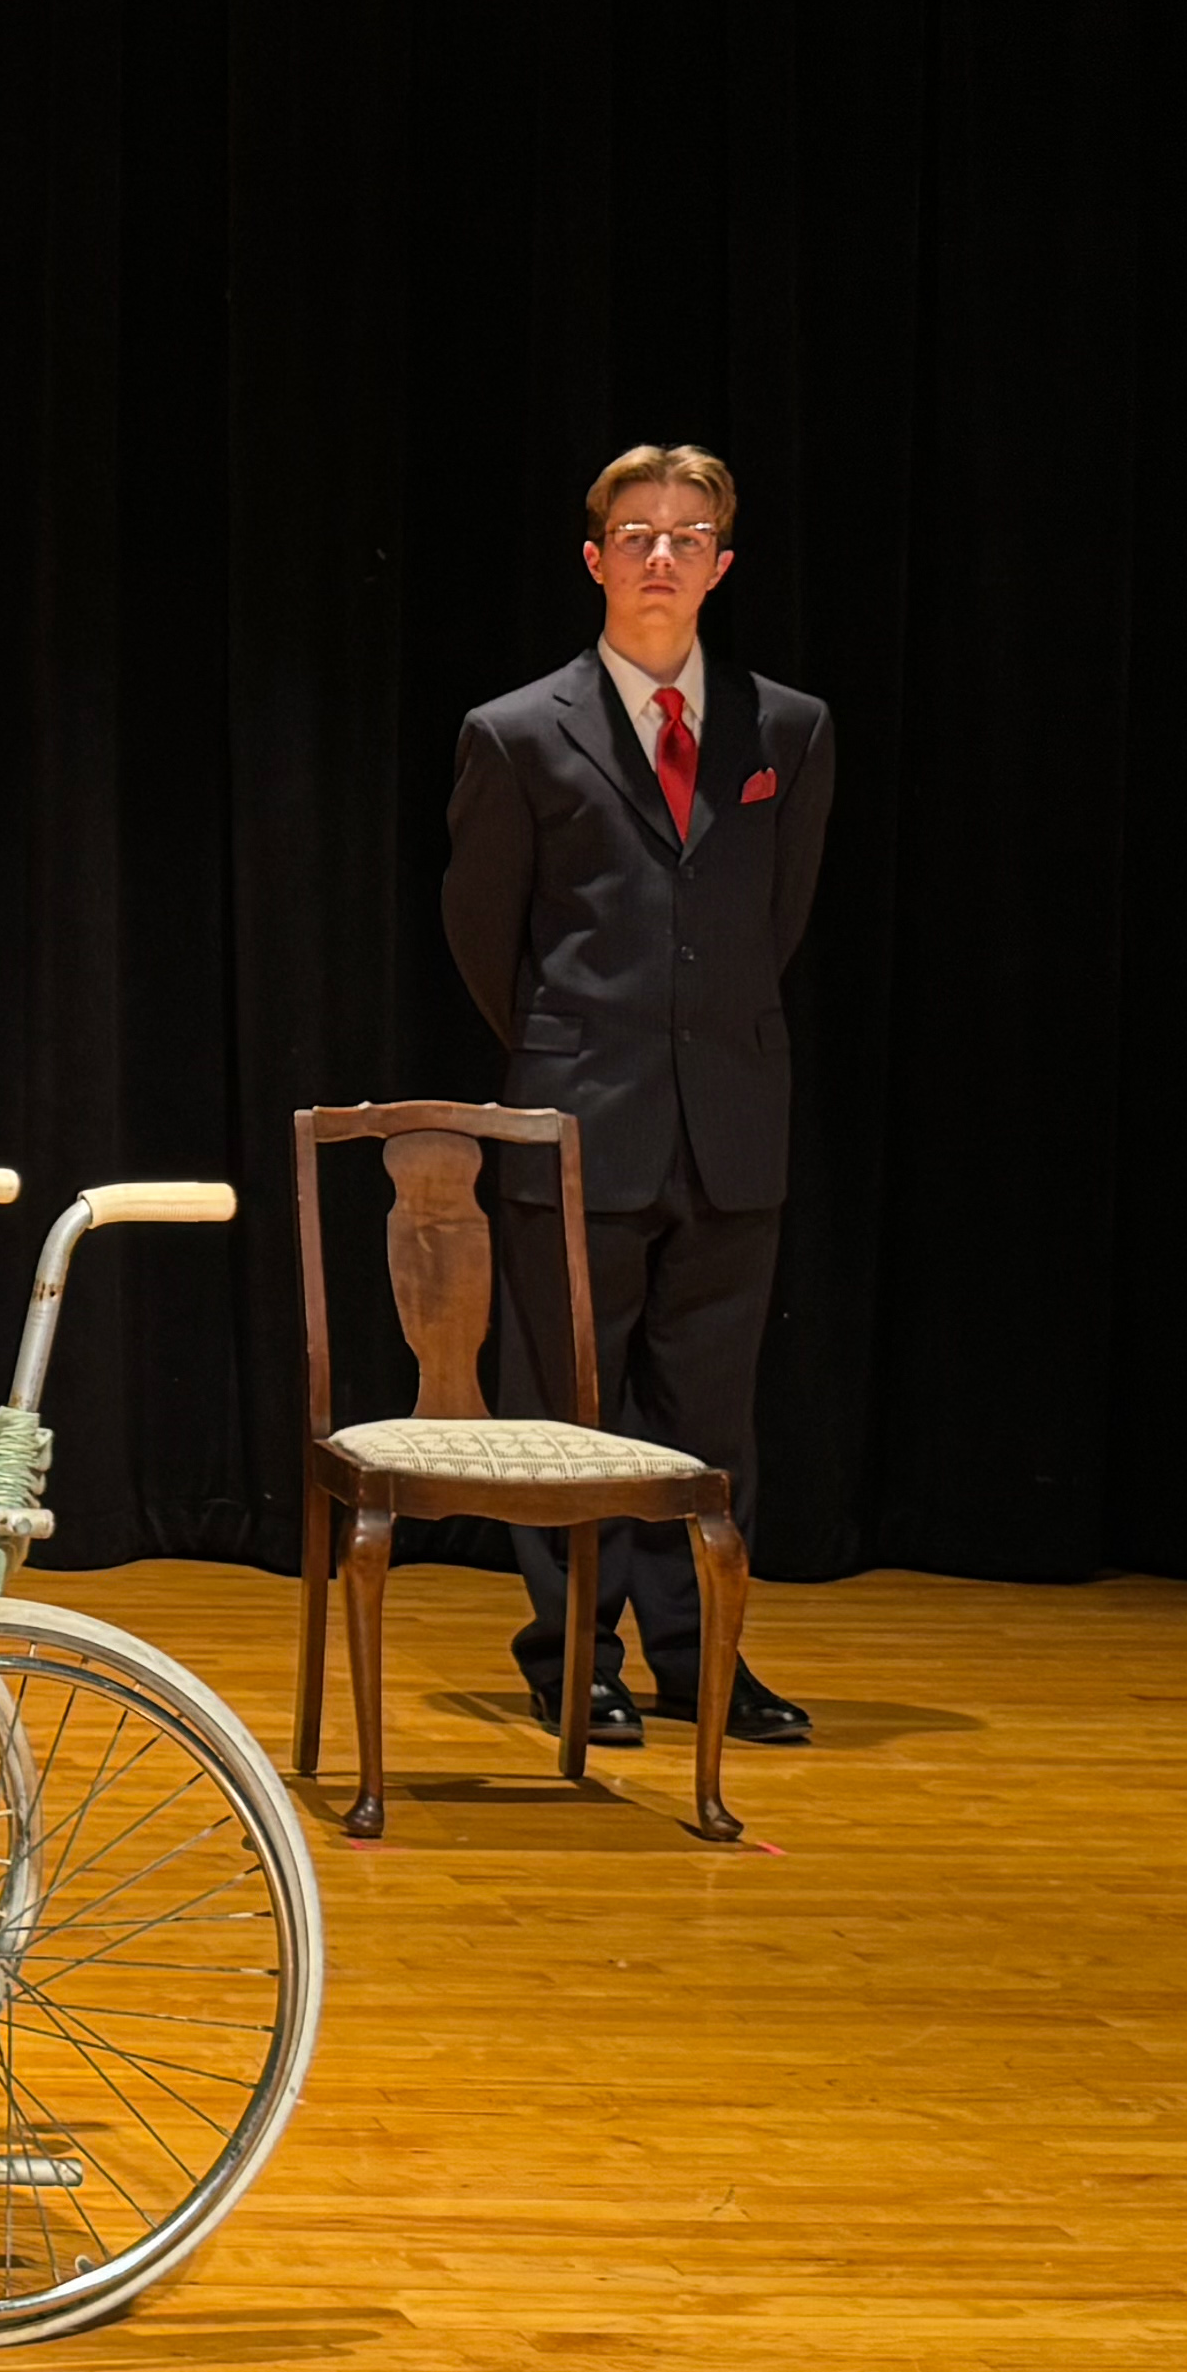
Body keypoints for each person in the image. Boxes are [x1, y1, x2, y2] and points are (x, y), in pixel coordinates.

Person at [439, 445, 834, 1752]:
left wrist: (693, 1040)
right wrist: (580, 1043)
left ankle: (699, 1653)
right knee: (569, 1414)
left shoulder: (786, 730)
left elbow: (774, 921)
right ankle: (569, 1654)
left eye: (689, 534)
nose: (662, 555)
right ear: (596, 556)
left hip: (728, 1121)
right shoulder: (515, 731)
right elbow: (485, 935)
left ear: (723, 565)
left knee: (710, 1418)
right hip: (577, 1123)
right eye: (638, 533)